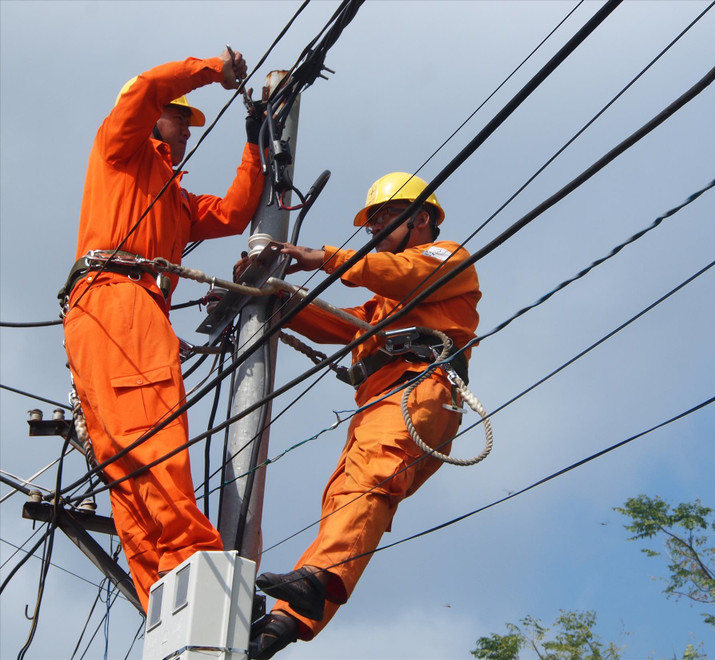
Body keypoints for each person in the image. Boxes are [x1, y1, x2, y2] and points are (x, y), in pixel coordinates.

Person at [59, 50, 265, 611]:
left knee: (124, 454)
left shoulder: (174, 197)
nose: (188, 130)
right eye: (180, 118)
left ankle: (162, 593)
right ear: (154, 119)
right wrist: (212, 70)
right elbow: (146, 87)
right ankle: (192, 559)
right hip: (116, 300)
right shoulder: (120, 150)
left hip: (110, 310)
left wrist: (254, 145)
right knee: (146, 434)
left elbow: (233, 214)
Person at [250, 172, 481, 657]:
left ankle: (316, 579)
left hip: (419, 389)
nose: (374, 228)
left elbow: (401, 272)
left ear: (421, 218)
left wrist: (324, 257)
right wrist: (274, 299)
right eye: (372, 220)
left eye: (384, 217)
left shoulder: (447, 259)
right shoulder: (385, 302)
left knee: (370, 481)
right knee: (348, 498)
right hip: (382, 401)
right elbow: (345, 323)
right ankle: (286, 622)